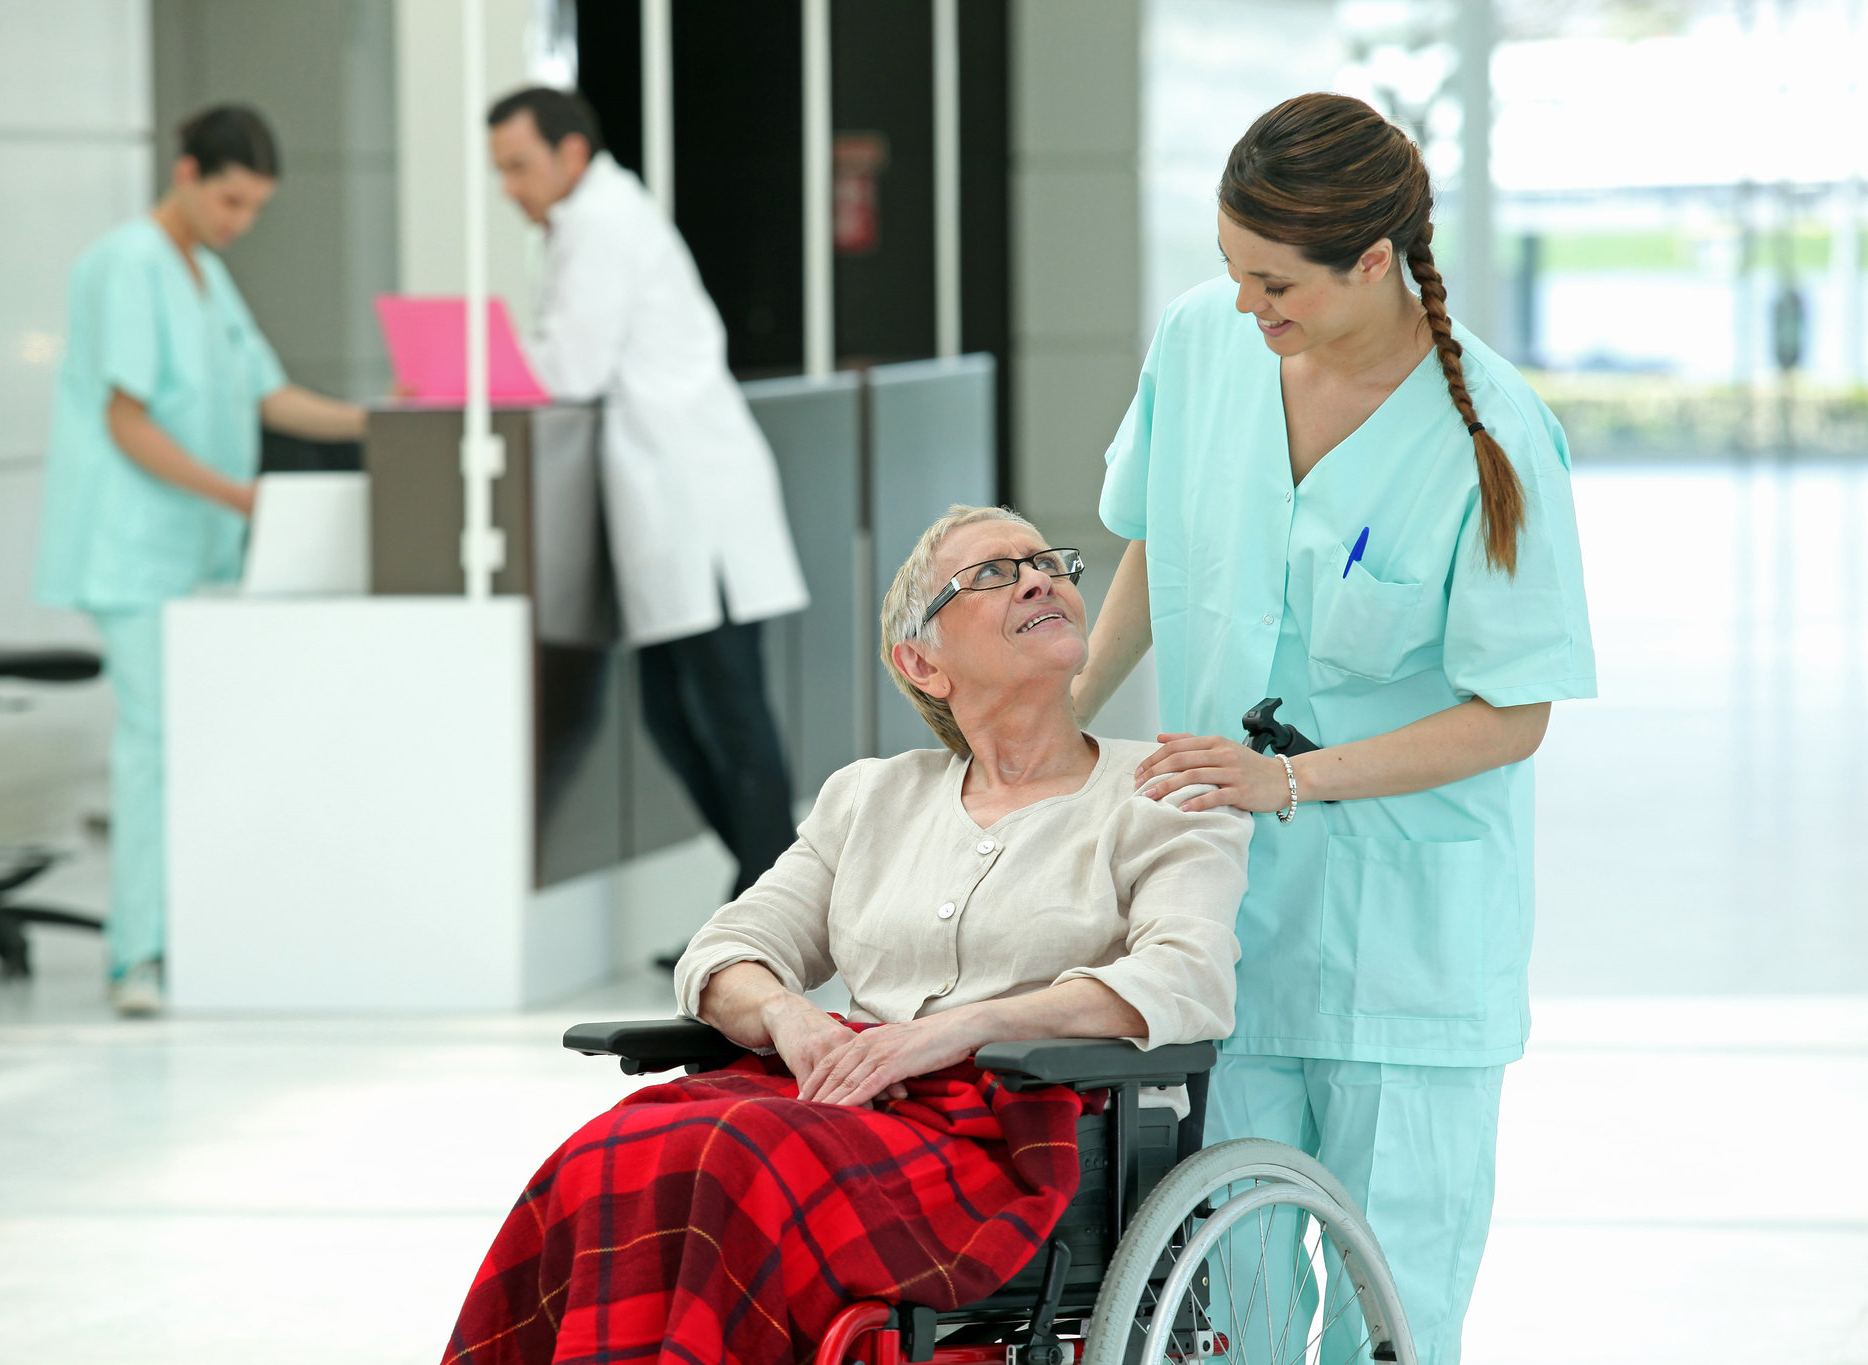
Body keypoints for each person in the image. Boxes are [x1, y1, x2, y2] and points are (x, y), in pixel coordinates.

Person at [440, 505, 1250, 1365]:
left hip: (1012, 1147)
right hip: (854, 1108)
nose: (1037, 577)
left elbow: (1187, 977)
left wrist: (966, 1027)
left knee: (722, 1156)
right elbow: (725, 950)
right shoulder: (870, 796)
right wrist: (793, 1019)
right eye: (991, 573)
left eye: (1045, 561)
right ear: (920, 662)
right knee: (609, 1151)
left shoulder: (1163, 790)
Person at [1072, 94, 1595, 1365]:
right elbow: (1156, 542)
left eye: (1274, 283)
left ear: (1374, 263)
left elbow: (1510, 715)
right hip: (1216, 927)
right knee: (1226, 1306)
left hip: (1403, 958)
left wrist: (1291, 781)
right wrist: (1056, 730)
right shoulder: (1205, 344)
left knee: (1393, 1315)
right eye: (1230, 272)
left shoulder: (1490, 435)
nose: (1249, 309)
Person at [34, 105, 367, 1017]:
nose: (238, 222)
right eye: (228, 200)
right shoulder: (126, 263)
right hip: (132, 548)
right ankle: (134, 955)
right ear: (185, 172)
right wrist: (242, 497)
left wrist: (384, 419)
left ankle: (193, 936)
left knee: (195, 743)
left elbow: (272, 394)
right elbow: (125, 420)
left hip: (194, 551)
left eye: (254, 207)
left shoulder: (206, 274)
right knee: (154, 747)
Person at [486, 85, 808, 921]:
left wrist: (477, 369)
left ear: (570, 154)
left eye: (519, 167)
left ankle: (771, 913)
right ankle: (757, 905)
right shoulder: (590, 219)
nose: (509, 188)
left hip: (694, 498)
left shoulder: (601, 225)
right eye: (501, 171)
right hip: (671, 499)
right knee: (674, 713)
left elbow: (571, 371)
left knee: (727, 714)